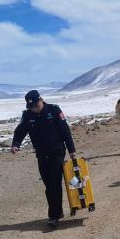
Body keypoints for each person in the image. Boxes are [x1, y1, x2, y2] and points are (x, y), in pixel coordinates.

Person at [11, 90, 76, 228]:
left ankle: (53, 216)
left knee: (54, 183)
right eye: (32, 107)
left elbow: (65, 130)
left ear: (41, 100)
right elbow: (20, 130)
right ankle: (57, 212)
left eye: (36, 105)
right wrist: (16, 144)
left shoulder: (54, 110)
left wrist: (72, 150)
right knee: (48, 185)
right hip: (41, 154)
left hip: (57, 152)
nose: (35, 109)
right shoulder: (27, 115)